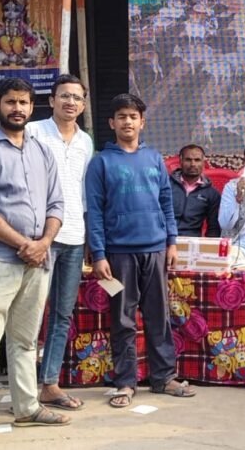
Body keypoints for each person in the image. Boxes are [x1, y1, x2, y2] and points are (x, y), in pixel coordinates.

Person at [0, 74, 93, 412]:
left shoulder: (67, 145)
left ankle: (35, 400)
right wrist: (28, 244)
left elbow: (60, 200)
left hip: (54, 247)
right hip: (1, 256)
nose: (17, 108)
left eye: (23, 102)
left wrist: (44, 242)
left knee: (36, 332)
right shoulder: (0, 143)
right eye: (10, 102)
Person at [86, 93, 196, 407]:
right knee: (122, 319)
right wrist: (98, 253)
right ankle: (125, 382)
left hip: (156, 250)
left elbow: (166, 202)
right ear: (112, 123)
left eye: (133, 117)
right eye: (122, 116)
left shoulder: (154, 159)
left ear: (142, 122)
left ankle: (164, 378)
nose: (127, 122)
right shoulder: (101, 162)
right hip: (118, 255)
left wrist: (171, 241)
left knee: (158, 316)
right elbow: (94, 211)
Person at [170, 144, 222, 237]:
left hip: (192, 241)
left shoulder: (212, 194)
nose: (193, 164)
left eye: (197, 160)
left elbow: (213, 228)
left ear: (203, 162)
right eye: (188, 160)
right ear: (180, 161)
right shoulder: (166, 185)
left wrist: (208, 249)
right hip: (164, 239)